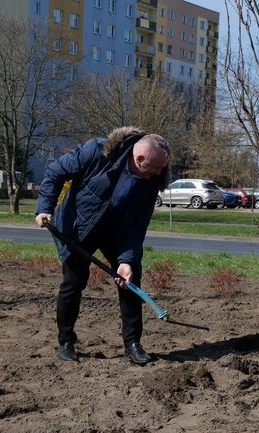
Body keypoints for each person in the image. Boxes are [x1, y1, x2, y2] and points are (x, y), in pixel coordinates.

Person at [35, 127, 170, 364]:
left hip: (117, 231)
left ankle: (133, 344)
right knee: (73, 282)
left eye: (161, 169)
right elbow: (55, 172)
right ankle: (66, 341)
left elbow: (138, 225)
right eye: (155, 168)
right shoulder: (97, 151)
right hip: (80, 227)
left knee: (130, 281)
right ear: (139, 159)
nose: (158, 174)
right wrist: (45, 208)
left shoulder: (152, 181)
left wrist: (126, 260)